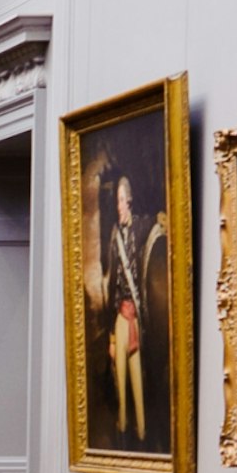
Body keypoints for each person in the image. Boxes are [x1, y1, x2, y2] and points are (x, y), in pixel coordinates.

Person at [85, 167, 167, 447]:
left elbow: (156, 227)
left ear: (130, 201)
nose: (119, 206)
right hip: (119, 320)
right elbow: (110, 290)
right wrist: (109, 335)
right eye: (117, 201)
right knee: (121, 393)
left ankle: (144, 441)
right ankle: (123, 443)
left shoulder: (142, 227)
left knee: (139, 390)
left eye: (123, 200)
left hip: (136, 322)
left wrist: (162, 221)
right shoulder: (113, 236)